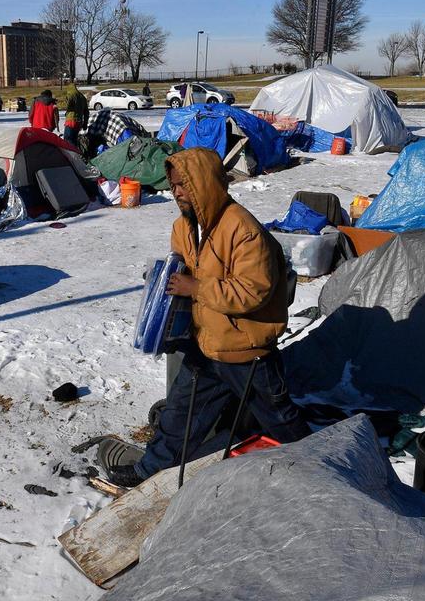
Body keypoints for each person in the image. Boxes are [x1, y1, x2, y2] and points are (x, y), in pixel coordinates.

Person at [106, 148, 311, 488]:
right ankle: (149, 470)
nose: (178, 193)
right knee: (179, 413)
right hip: (205, 343)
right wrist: (164, 280)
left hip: (246, 352)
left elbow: (253, 292)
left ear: (204, 184)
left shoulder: (243, 231)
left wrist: (195, 287)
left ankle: (320, 467)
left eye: (184, 185)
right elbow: (184, 268)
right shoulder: (184, 227)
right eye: (173, 186)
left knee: (281, 420)